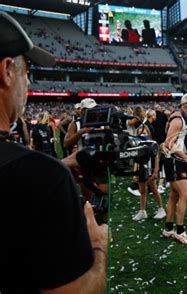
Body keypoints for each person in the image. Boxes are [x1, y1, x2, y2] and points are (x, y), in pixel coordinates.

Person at [0, 11, 108, 292]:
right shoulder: (41, 177)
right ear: (7, 71)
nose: (29, 84)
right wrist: (99, 248)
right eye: (27, 73)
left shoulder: (36, 172)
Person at [161, 93, 187, 245]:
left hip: (178, 160)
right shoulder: (178, 119)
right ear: (185, 104)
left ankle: (168, 228)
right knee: (185, 195)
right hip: (175, 160)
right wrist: (185, 157)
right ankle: (180, 231)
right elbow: (168, 142)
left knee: (174, 195)